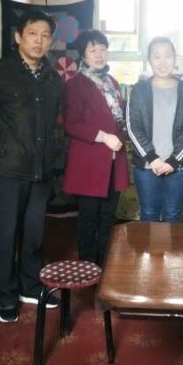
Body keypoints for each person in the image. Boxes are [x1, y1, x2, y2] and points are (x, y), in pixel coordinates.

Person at [0, 9, 63, 324]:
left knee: (34, 234)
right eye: (33, 34)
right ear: (18, 36)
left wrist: (53, 160)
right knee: (5, 236)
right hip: (7, 171)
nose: (39, 41)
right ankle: (6, 296)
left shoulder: (52, 78)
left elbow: (55, 124)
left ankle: (30, 287)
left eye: (45, 36)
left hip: (40, 172)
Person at [62, 29, 129, 266]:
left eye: (103, 49)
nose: (99, 54)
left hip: (114, 161)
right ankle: (88, 265)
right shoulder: (76, 84)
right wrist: (103, 137)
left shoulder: (112, 82)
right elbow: (71, 123)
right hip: (89, 162)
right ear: (83, 55)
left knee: (108, 215)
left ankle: (105, 263)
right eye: (93, 50)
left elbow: (119, 119)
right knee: (89, 216)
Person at [127, 37, 183, 222]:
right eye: (157, 57)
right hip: (146, 166)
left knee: (173, 214)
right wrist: (153, 158)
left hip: (178, 167)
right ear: (149, 60)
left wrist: (174, 161)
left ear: (175, 58)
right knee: (148, 214)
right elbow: (133, 126)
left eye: (167, 56)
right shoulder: (139, 89)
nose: (162, 62)